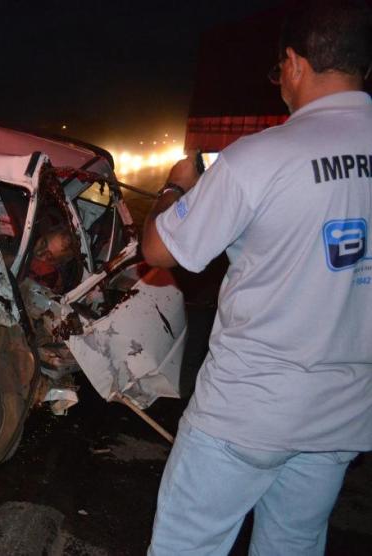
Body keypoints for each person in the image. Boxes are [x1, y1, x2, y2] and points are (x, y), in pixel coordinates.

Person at [141, 1, 372, 553]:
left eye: (279, 72)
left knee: (186, 545)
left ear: (293, 64)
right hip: (341, 414)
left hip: (247, 411)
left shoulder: (261, 157)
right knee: (293, 544)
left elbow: (158, 248)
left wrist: (178, 186)